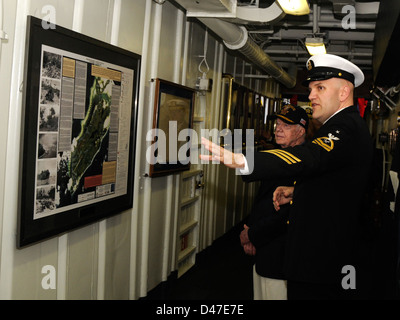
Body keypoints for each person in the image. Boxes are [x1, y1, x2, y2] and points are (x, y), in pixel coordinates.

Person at [200, 54, 374, 299]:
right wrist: (297, 191)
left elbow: (312, 156)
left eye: (320, 88)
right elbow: (334, 181)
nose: (311, 96)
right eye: (312, 88)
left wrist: (243, 160)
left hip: (322, 263)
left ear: (344, 92)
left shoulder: (344, 126)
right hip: (321, 259)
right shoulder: (345, 125)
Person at [239, 105, 309, 300]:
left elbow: (285, 216)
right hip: (264, 248)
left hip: (281, 255)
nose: (278, 129)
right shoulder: (278, 158)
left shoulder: (303, 163)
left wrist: (250, 234)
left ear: (300, 131)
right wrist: (252, 233)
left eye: (286, 125)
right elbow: (263, 202)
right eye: (277, 124)